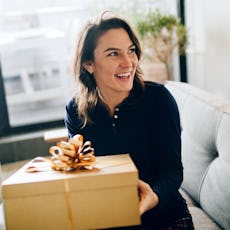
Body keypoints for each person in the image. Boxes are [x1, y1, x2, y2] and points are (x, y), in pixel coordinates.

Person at [64, 13, 194, 230]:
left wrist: (153, 196)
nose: (128, 63)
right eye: (113, 54)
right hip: (112, 218)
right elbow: (83, 173)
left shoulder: (159, 99)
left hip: (165, 216)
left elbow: (173, 170)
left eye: (131, 50)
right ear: (88, 63)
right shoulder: (76, 110)